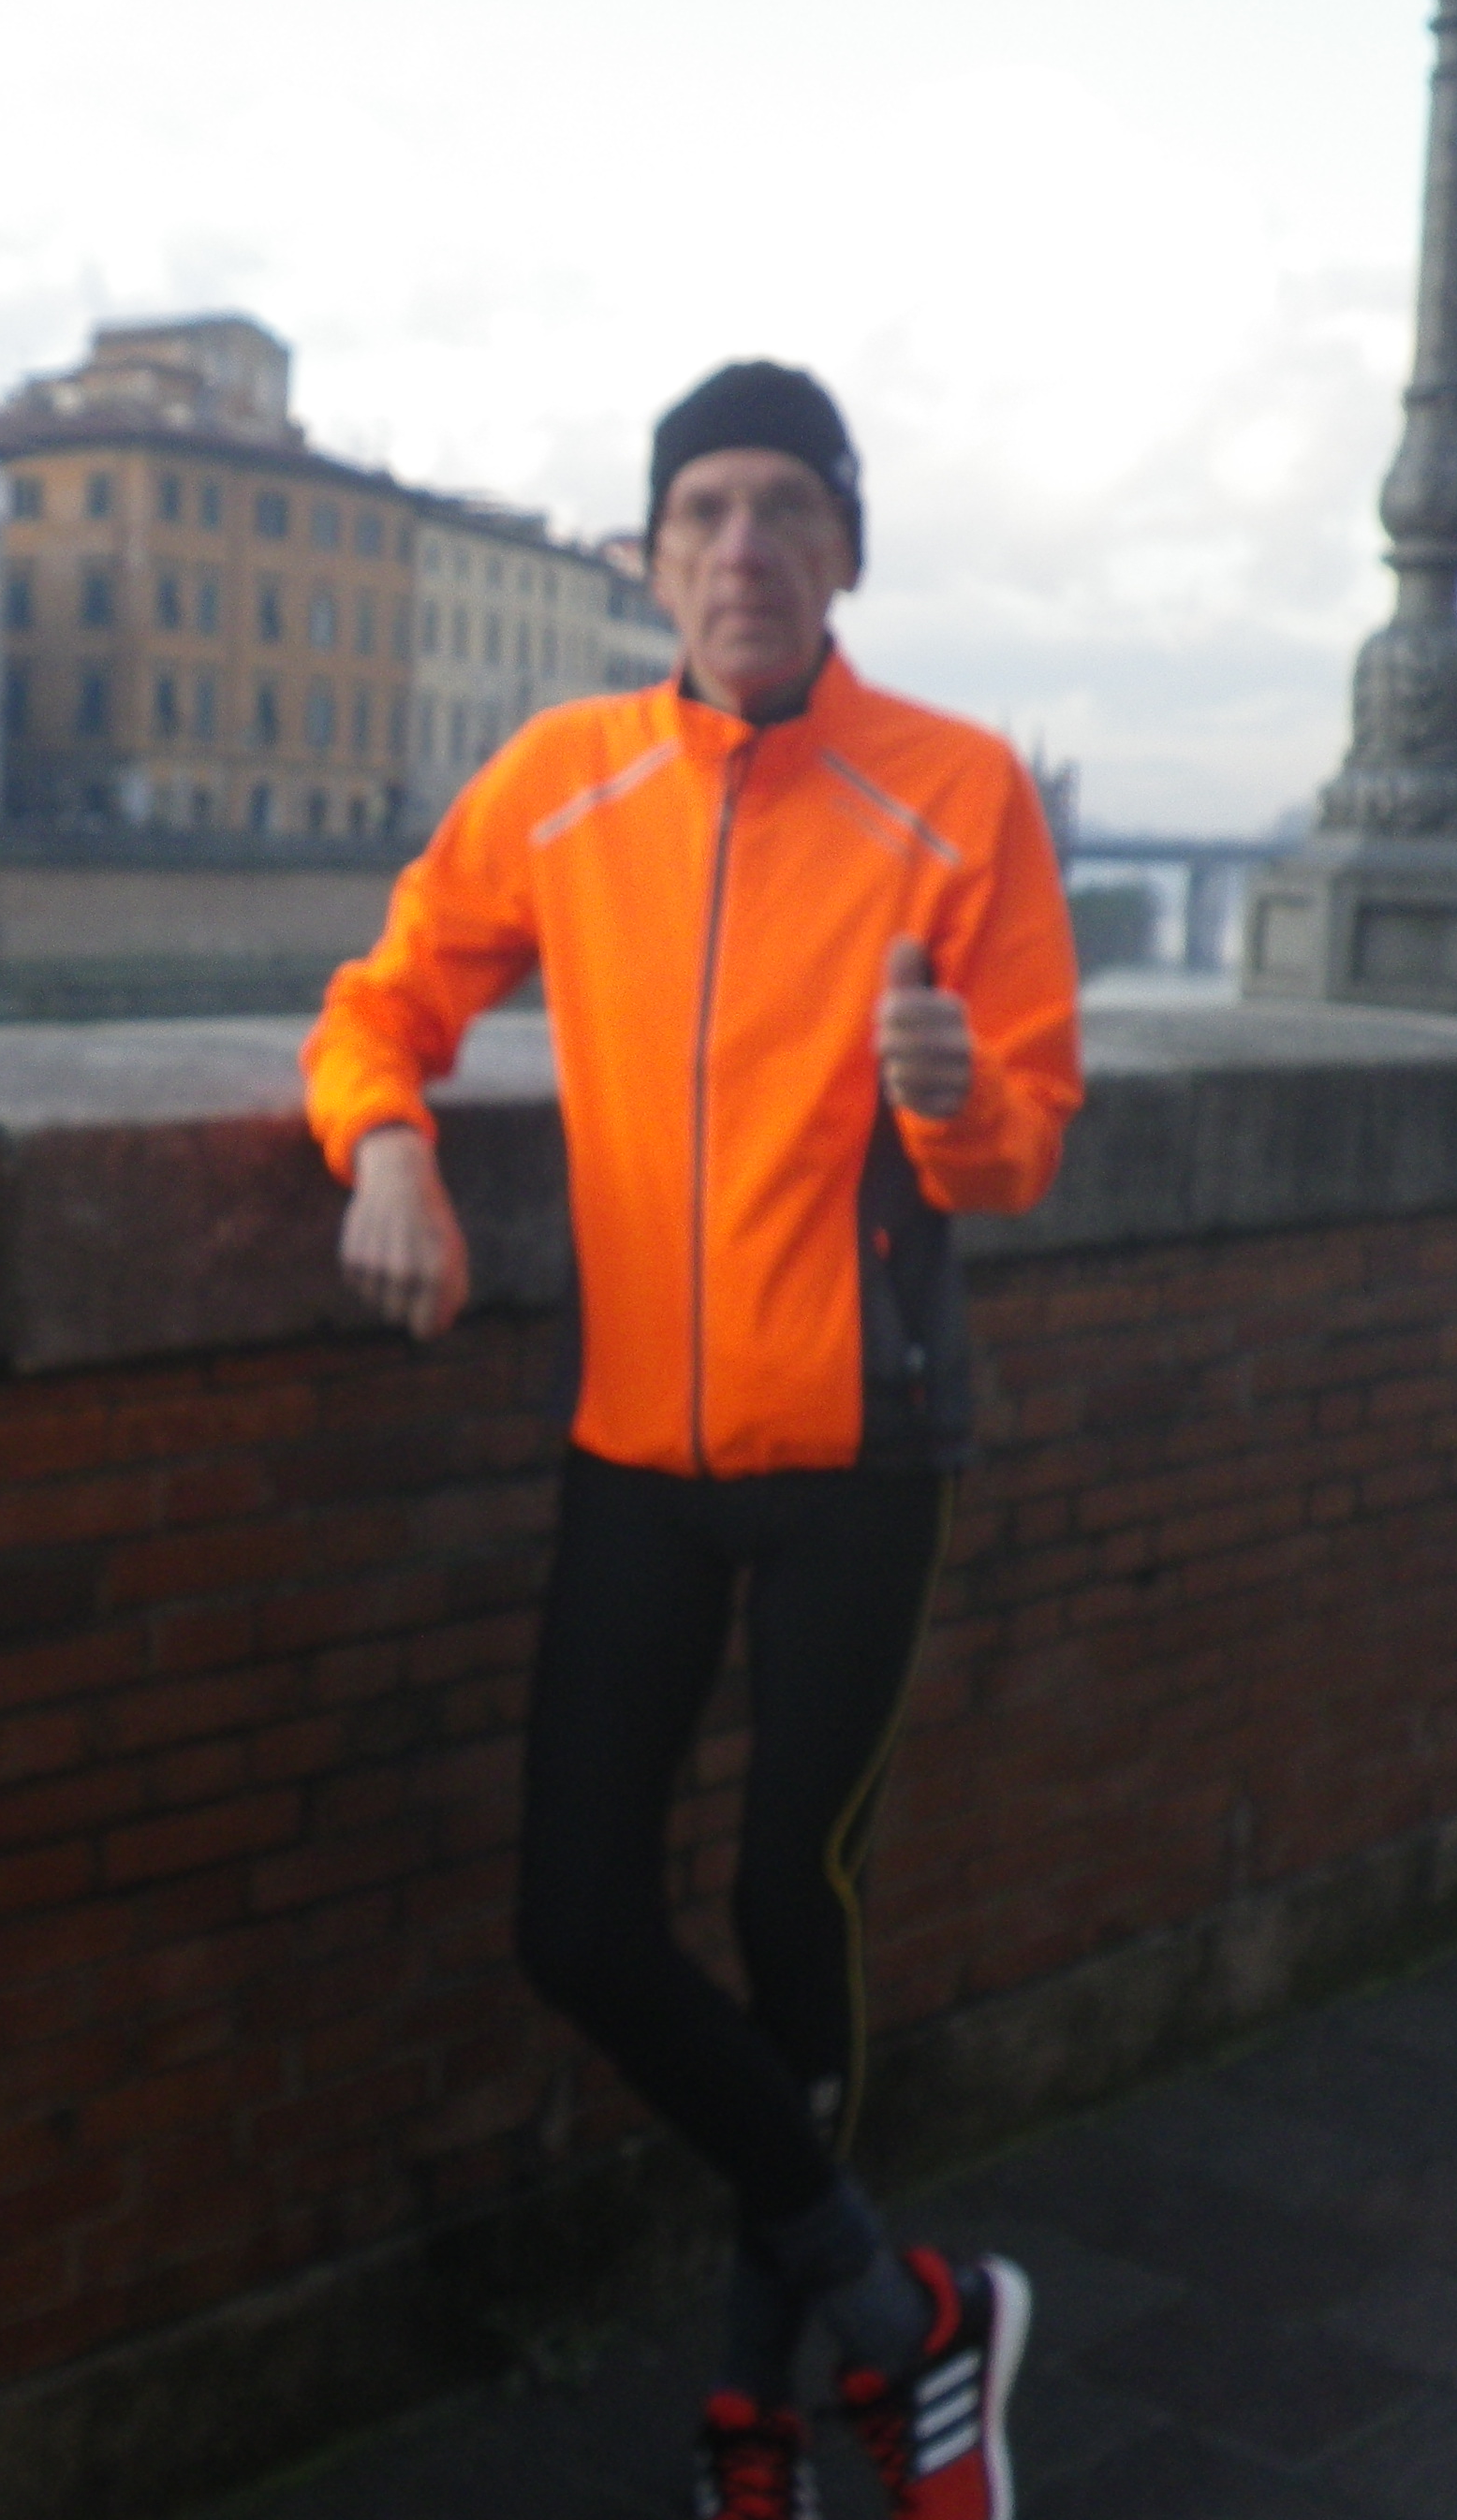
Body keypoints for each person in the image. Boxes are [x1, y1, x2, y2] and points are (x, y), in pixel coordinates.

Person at [301, 361, 1082, 2520]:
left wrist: (944, 1095)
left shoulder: (958, 792)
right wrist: (386, 1152)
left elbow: (1024, 1143)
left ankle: (759, 2413)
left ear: (845, 551)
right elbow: (378, 1002)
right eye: (701, 513)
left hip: (858, 1457)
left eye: (783, 510)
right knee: (575, 1923)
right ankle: (906, 2317)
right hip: (632, 1454)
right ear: (651, 562)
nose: (742, 549)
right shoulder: (562, 783)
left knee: (779, 1901)